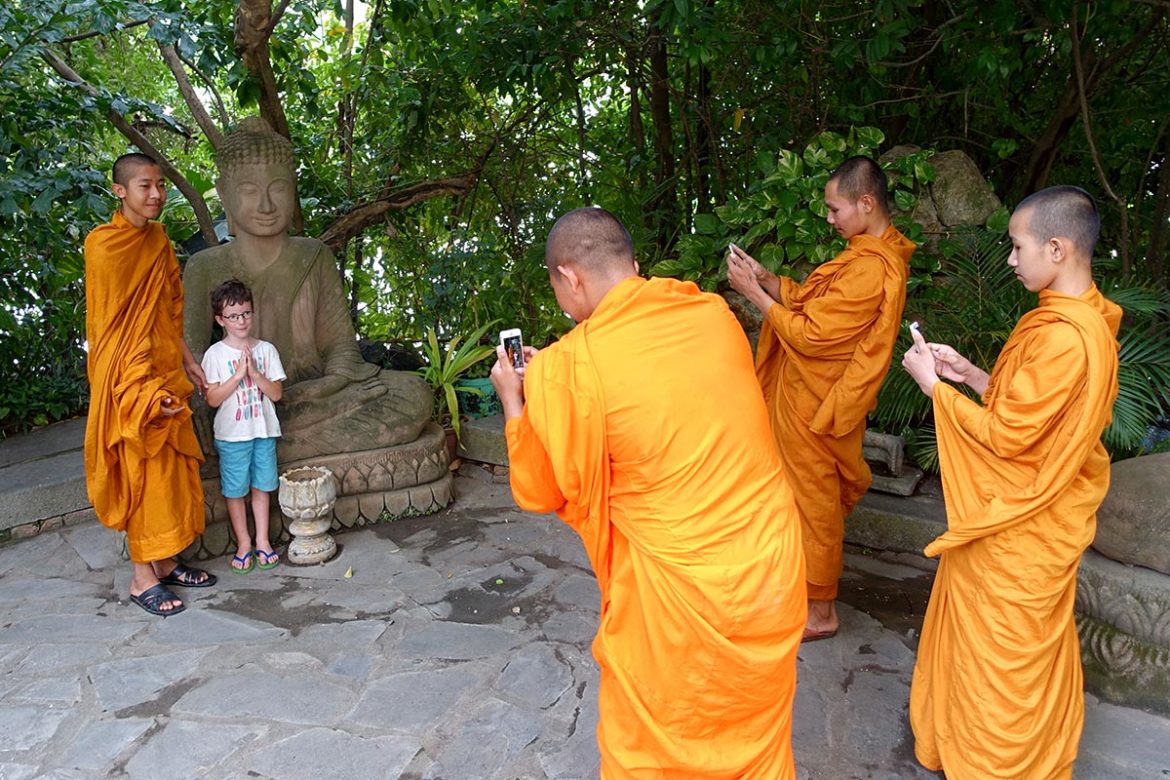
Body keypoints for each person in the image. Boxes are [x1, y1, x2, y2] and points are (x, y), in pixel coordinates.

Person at [491, 207, 807, 778]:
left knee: (652, 755)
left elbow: (538, 488)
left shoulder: (568, 369)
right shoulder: (712, 314)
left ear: (570, 277)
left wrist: (518, 399)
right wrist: (556, 381)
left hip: (676, 606)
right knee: (754, 737)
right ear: (634, 266)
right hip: (769, 574)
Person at [901, 185, 1121, 779]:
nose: (1011, 259)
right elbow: (1034, 415)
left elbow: (1006, 438)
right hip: (1039, 515)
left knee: (1000, 651)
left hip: (1023, 524)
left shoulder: (1065, 335)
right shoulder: (1081, 319)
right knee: (1009, 643)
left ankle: (996, 765)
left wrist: (933, 388)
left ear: (1057, 248)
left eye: (1018, 246)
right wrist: (971, 374)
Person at [726, 156, 916, 641]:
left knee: (814, 504)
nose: (830, 219)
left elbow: (811, 336)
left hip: (820, 403)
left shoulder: (871, 269)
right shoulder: (863, 255)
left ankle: (821, 610)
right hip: (805, 393)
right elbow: (812, 305)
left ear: (866, 203)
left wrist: (754, 295)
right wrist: (767, 279)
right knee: (795, 496)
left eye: (835, 209)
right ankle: (796, 588)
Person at [183, 117, 432, 464]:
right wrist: (197, 400)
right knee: (184, 420)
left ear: (293, 190)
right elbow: (191, 360)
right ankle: (265, 445)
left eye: (278, 189)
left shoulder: (314, 255)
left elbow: (340, 347)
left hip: (314, 394)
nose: (267, 205)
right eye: (250, 192)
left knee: (414, 394)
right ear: (224, 193)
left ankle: (266, 450)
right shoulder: (205, 266)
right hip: (241, 399)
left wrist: (323, 389)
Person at [84, 152, 217, 617]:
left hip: (164, 370)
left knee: (172, 472)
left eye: (160, 185)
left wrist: (189, 362)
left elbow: (165, 312)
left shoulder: (158, 240)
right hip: (129, 380)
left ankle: (165, 561)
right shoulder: (104, 245)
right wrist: (140, 391)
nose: (157, 194)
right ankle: (143, 577)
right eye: (145, 186)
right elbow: (112, 328)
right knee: (142, 472)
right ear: (120, 191)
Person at [202, 279, 286, 573]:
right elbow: (212, 399)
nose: (241, 321)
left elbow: (276, 394)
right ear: (220, 320)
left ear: (253, 312)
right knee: (235, 490)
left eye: (246, 313)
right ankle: (244, 543)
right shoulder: (215, 355)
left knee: (262, 486)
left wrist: (255, 373)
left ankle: (263, 540)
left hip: (263, 431)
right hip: (231, 436)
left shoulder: (266, 350)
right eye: (233, 316)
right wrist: (238, 375)